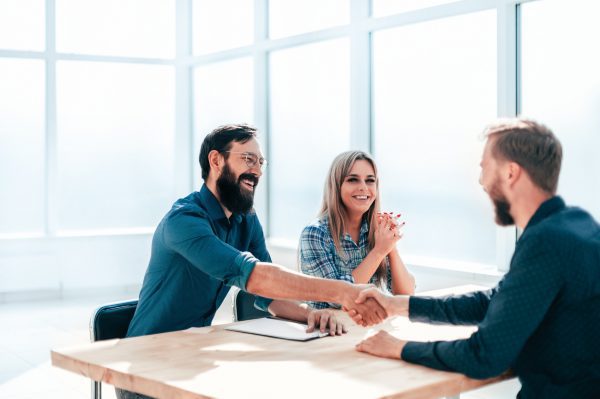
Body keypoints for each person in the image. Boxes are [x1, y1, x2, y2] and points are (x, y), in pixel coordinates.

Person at [118, 124, 386, 399]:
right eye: (247, 159)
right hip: (144, 373)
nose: (256, 171)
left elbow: (267, 292)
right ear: (216, 160)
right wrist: (343, 290)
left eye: (260, 162)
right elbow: (256, 276)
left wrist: (310, 315)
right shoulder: (184, 221)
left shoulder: (246, 220)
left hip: (191, 355)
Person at [354, 118, 600, 399]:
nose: (481, 181)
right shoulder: (577, 224)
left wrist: (397, 347)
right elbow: (498, 301)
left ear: (510, 173)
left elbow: (483, 356)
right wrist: (398, 305)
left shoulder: (546, 242)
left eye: (484, 167)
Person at [299, 151, 415, 309]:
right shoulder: (315, 234)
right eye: (353, 180)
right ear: (336, 186)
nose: (363, 188)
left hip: (366, 328)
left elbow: (405, 295)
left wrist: (391, 246)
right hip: (328, 331)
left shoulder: (375, 231)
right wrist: (379, 251)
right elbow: (337, 298)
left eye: (370, 180)